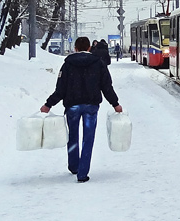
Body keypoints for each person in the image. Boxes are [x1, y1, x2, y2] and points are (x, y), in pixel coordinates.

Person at [41, 36, 122, 182]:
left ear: (75, 48)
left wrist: (48, 104)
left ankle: (74, 166)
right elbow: (106, 86)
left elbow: (60, 89)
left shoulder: (67, 64)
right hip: (91, 106)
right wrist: (115, 104)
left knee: (72, 136)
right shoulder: (98, 63)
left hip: (72, 106)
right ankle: (82, 173)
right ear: (90, 47)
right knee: (88, 139)